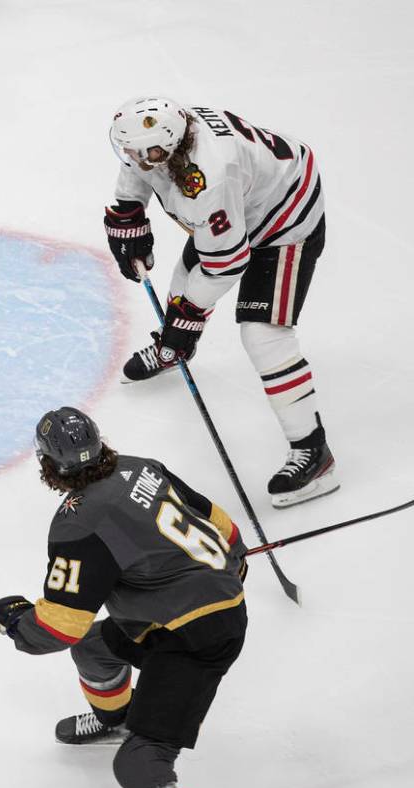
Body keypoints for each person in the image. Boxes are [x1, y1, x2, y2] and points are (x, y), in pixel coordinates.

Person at [0, 407, 247, 788]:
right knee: (93, 649)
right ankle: (119, 720)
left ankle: (137, 740)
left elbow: (60, 628)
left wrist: (15, 623)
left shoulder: (78, 522)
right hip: (198, 612)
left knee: (139, 763)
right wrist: (234, 560)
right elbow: (216, 519)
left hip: (193, 640)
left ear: (47, 464)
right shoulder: (142, 467)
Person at [104, 96, 336, 508]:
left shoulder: (211, 177)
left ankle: (314, 454)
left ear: (172, 144)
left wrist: (187, 318)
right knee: (183, 283)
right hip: (246, 200)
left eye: (149, 153)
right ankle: (173, 347)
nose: (139, 159)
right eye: (133, 151)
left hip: (285, 215)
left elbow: (226, 264)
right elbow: (138, 166)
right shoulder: (162, 137)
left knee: (263, 336)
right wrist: (128, 213)